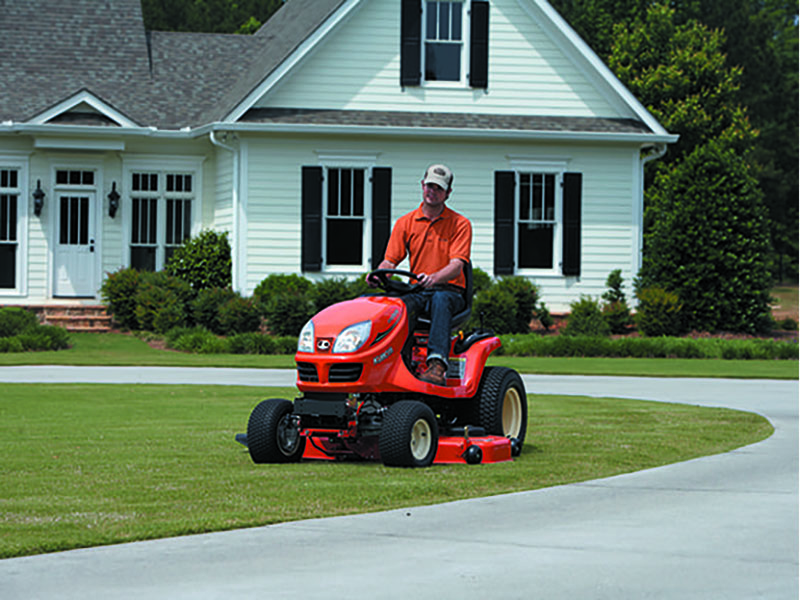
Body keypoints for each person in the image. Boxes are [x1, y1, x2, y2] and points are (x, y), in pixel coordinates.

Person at [369, 164, 472, 385]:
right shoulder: (405, 223)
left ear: (448, 193)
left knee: (440, 299)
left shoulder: (460, 224)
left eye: (438, 188)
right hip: (418, 290)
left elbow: (456, 265)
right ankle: (393, 362)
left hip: (450, 291)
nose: (432, 191)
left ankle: (436, 365)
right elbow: (390, 260)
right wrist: (379, 273)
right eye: (429, 186)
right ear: (422, 185)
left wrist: (434, 278)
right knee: (395, 307)